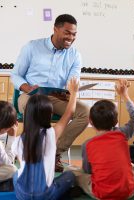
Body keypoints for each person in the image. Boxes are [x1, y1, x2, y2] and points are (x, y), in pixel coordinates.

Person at [10, 14, 89, 172]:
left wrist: (70, 91)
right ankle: (32, 151)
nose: (71, 37)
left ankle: (54, 152)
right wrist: (27, 88)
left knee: (86, 113)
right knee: (30, 104)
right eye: (67, 32)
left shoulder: (75, 55)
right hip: (31, 95)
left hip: (57, 97)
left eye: (74, 34)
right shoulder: (32, 47)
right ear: (55, 29)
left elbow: (73, 80)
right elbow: (15, 75)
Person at [12, 77, 79, 200]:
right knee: (71, 174)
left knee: (17, 174)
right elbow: (69, 112)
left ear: (27, 115)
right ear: (49, 115)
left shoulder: (17, 141)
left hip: (22, 195)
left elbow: (24, 167)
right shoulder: (50, 134)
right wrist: (74, 92)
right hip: (45, 195)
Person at [68, 98, 134, 199]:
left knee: (72, 172)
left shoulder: (87, 145)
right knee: (131, 166)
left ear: (90, 122)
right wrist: (124, 95)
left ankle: (82, 188)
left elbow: (88, 171)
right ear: (116, 121)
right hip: (129, 192)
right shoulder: (122, 134)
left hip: (102, 193)